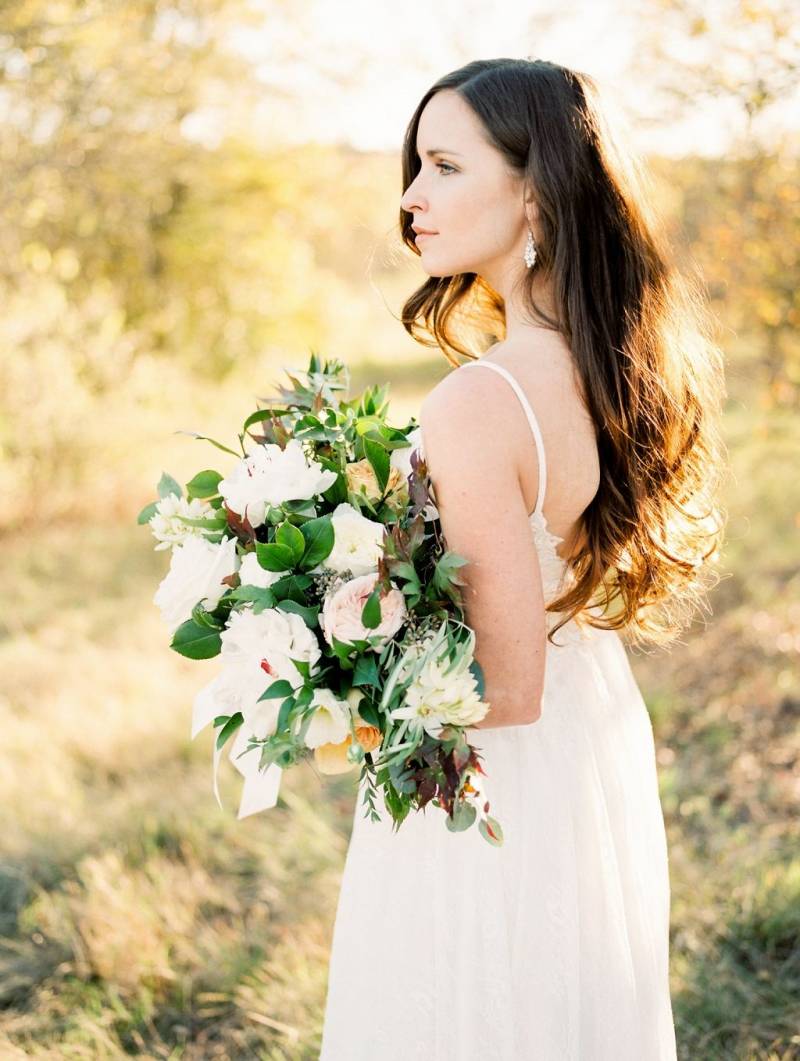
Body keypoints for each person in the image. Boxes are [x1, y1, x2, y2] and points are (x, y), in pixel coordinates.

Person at [319, 57, 725, 1060]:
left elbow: (505, 681)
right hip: (586, 738)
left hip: (484, 781)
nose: (411, 198)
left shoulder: (478, 399)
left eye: (445, 165)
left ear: (533, 187)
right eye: (415, 166)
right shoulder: (604, 361)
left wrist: (329, 673)